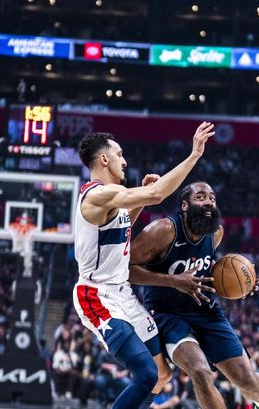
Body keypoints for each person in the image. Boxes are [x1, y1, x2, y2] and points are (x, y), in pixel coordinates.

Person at [73, 123, 214, 409]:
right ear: (104, 159)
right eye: (119, 154)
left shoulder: (111, 199)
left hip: (122, 292)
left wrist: (138, 205)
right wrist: (194, 155)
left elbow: (120, 229)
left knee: (163, 374)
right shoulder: (97, 195)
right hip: (96, 295)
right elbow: (158, 195)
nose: (124, 161)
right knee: (147, 374)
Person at [129, 181, 259, 409]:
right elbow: (124, 269)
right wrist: (172, 281)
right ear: (185, 205)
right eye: (201, 197)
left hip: (206, 312)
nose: (209, 202)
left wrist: (242, 284)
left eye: (213, 198)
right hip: (168, 316)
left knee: (248, 380)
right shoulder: (163, 231)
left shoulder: (215, 233)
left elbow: (204, 270)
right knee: (200, 371)